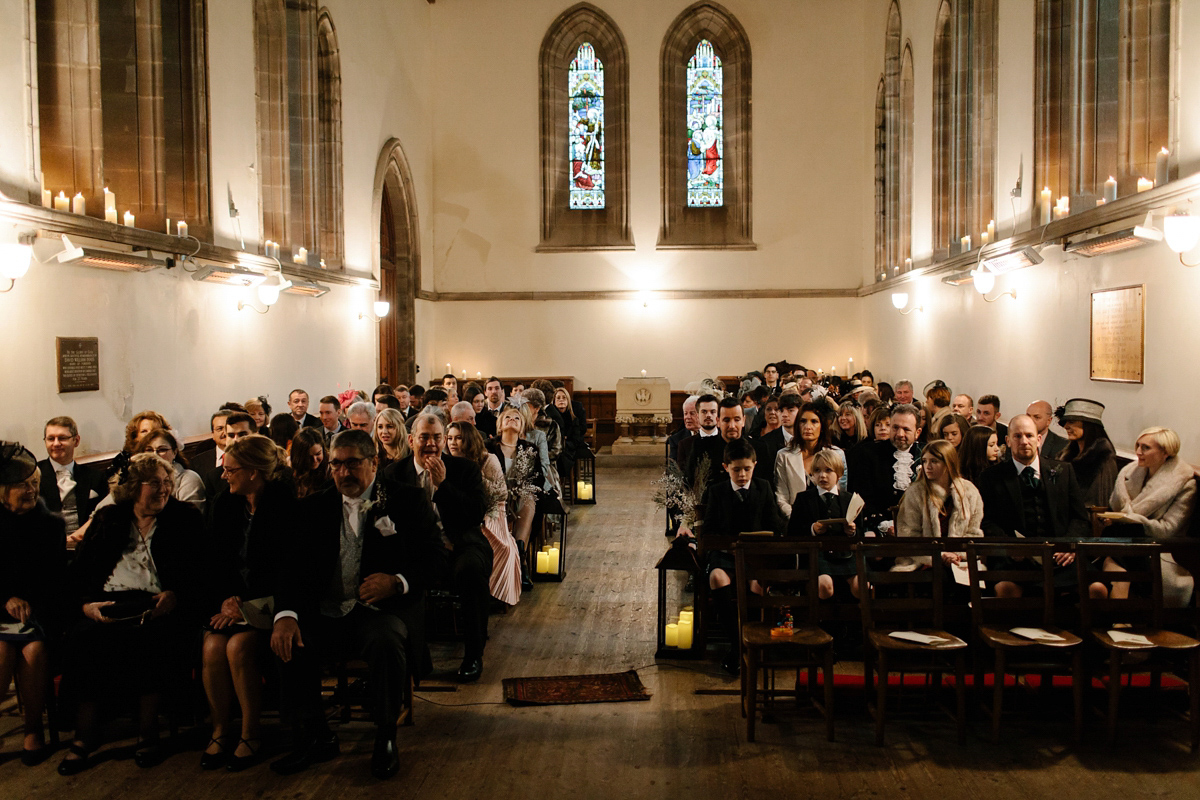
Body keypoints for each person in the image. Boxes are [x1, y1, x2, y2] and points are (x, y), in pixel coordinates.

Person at [270, 430, 444, 779]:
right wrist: (285, 615)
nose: (343, 473)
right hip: (327, 609)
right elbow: (290, 569)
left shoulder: (406, 500)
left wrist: (397, 582)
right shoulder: (314, 507)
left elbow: (435, 561)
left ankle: (385, 736)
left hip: (380, 610)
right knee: (289, 638)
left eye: (353, 464)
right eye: (336, 464)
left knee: (385, 640)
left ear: (374, 463)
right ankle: (315, 734)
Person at [58, 453, 205, 774]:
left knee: (151, 638)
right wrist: (85, 605)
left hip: (158, 606)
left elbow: (201, 575)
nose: (164, 489)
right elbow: (79, 574)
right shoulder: (109, 518)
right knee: (83, 639)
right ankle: (84, 737)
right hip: (108, 603)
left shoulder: (185, 518)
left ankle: (147, 732)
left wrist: (176, 596)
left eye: (168, 483)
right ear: (133, 487)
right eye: (154, 483)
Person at [201, 435, 296, 771]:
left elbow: (288, 568)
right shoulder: (224, 504)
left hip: (272, 602)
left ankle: (250, 731)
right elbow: (215, 561)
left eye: (231, 470)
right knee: (212, 647)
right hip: (234, 602)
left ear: (254, 472)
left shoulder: (283, 503)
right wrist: (226, 599)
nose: (224, 475)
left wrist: (247, 605)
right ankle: (219, 730)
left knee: (238, 647)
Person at [385, 415, 490, 682]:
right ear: (411, 440)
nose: (431, 444)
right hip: (416, 548)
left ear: (444, 440)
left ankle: (473, 655)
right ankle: (414, 660)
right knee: (391, 570)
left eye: (436, 438)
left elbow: (475, 514)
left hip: (459, 544)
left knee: (470, 570)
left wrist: (444, 485)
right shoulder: (394, 474)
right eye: (424, 437)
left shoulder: (465, 469)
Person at [0, 442, 67, 766]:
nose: (31, 490)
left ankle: (32, 730)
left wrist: (28, 604)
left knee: (34, 649)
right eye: (22, 484)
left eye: (34, 483)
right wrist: (5, 599)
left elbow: (53, 583)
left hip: (38, 613)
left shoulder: (49, 524)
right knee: (0, 651)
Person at [976, 415, 1089, 598]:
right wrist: (1010, 546)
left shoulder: (1063, 471)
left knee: (1096, 588)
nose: (1024, 441)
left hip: (1059, 556)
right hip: (1014, 557)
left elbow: (1080, 518)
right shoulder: (992, 477)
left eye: (1029, 435)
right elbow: (986, 521)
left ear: (1038, 439)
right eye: (1017, 436)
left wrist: (1069, 545)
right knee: (1006, 590)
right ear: (1008, 441)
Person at [702, 437, 786, 674]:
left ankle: (757, 642)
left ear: (755, 465)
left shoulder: (763, 487)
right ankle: (736, 643)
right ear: (725, 467)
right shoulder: (717, 491)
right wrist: (727, 545)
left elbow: (775, 524)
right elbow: (709, 531)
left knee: (759, 586)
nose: (741, 475)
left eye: (747, 469)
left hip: (755, 556)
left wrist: (771, 537)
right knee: (717, 578)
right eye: (736, 469)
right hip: (726, 555)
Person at [1102, 427, 1197, 606]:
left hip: (1159, 549)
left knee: (1115, 548)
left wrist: (1134, 520)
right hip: (1126, 543)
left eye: (1146, 448)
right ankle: (1118, 613)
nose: (1138, 452)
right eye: (1137, 445)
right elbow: (1114, 507)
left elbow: (1168, 530)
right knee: (1116, 535)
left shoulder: (1185, 484)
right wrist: (1115, 518)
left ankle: (1117, 611)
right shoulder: (1130, 472)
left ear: (1165, 452)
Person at [447, 421, 521, 606]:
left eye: (458, 438)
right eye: (449, 438)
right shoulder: (447, 461)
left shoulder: (488, 459)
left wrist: (476, 477)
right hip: (461, 511)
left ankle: (492, 594)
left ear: (469, 440)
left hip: (492, 509)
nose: (453, 443)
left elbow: (501, 492)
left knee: (489, 535)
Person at [894, 440, 984, 580]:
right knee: (941, 576)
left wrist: (956, 555)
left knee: (972, 579)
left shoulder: (969, 491)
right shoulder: (916, 492)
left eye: (934, 461)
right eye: (924, 461)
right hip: (922, 560)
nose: (927, 466)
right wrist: (940, 556)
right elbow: (909, 537)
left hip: (960, 560)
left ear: (948, 464)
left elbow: (974, 534)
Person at [787, 448, 860, 600]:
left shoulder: (849, 499)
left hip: (845, 554)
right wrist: (812, 529)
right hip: (817, 555)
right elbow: (792, 531)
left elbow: (861, 533)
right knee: (824, 585)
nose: (822, 475)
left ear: (839, 474)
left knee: (861, 585)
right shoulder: (803, 499)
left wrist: (852, 531)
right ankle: (823, 622)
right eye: (818, 471)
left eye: (828, 470)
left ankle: (857, 622)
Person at [488, 407, 544, 591]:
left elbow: (537, 478)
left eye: (517, 418)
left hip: (520, 496)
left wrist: (521, 489)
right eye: (508, 417)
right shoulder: (489, 447)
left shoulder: (529, 449)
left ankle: (520, 555)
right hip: (495, 498)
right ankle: (520, 564)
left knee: (528, 498)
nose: (512, 420)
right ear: (500, 425)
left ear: (521, 428)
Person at [847, 403, 923, 535]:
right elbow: (860, 495)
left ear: (917, 433)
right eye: (895, 428)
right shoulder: (868, 453)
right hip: (879, 531)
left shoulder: (926, 454)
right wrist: (884, 525)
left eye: (906, 429)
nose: (899, 434)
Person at [38, 416, 108, 535]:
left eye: (62, 438)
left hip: (86, 543)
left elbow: (104, 515)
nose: (56, 443)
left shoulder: (95, 476)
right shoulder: (34, 475)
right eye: (51, 438)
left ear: (76, 441)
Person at [774, 401, 842, 518]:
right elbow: (781, 497)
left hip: (829, 521)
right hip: (795, 522)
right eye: (803, 421)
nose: (808, 427)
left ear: (822, 426)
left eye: (814, 421)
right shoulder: (783, 455)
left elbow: (841, 493)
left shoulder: (836, 454)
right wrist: (798, 520)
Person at [1054, 398, 1118, 507]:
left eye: (1072, 422)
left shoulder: (1102, 459)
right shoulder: (1067, 455)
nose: (1066, 427)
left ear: (1088, 425)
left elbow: (1099, 503)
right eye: (1066, 422)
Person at [677, 393, 719, 479]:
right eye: (704, 411)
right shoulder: (685, 445)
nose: (708, 415)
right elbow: (683, 477)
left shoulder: (727, 440)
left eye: (712, 411)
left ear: (718, 415)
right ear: (697, 415)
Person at [191, 410, 231, 490]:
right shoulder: (197, 462)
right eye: (220, 429)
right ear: (212, 434)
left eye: (228, 428)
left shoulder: (247, 457)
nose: (225, 433)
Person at [554, 387, 587, 479]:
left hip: (569, 446)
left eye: (564, 398)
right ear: (554, 401)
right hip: (556, 445)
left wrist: (565, 439)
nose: (561, 400)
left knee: (562, 457)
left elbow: (577, 436)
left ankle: (562, 479)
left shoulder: (573, 417)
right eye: (558, 398)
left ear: (568, 400)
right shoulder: (551, 416)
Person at [289, 427, 331, 499]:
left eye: (318, 454)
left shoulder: (331, 468)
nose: (314, 460)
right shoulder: (290, 469)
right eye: (308, 456)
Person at [374, 408, 411, 472]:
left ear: (400, 428)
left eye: (389, 426)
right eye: (380, 427)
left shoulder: (410, 454)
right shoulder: (373, 455)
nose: (384, 431)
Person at [667, 395, 699, 466]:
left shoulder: (712, 433)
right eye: (685, 413)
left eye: (692, 413)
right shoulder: (676, 439)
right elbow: (673, 469)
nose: (688, 417)